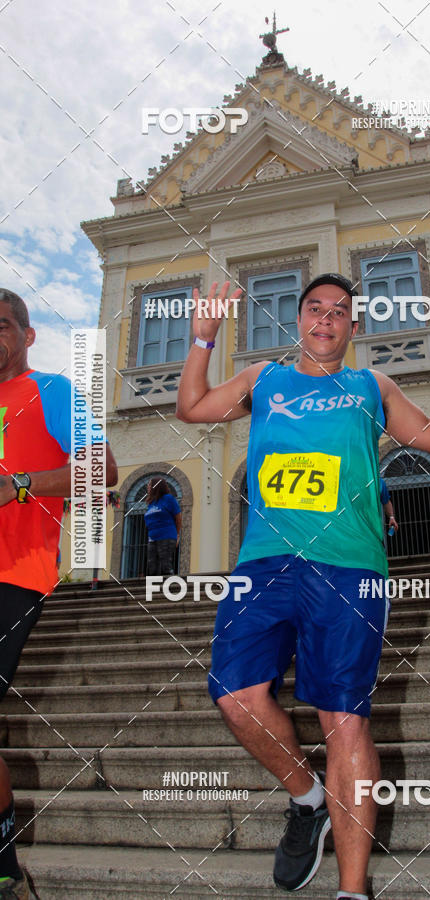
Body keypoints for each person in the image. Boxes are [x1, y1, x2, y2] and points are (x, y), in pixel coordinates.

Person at [176, 275, 430, 900]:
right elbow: (192, 407)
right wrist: (203, 339)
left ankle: (351, 890)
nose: (326, 318)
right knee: (235, 696)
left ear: (353, 327)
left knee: (344, 721)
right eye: (315, 308)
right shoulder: (264, 379)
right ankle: (308, 798)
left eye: (340, 311)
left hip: (349, 569)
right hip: (265, 563)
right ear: (299, 320)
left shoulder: (371, 385)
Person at [0, 289, 118, 899]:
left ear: (27, 335)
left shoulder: (51, 391)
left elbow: (104, 471)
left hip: (13, 572)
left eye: (1, 325)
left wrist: (17, 485)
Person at [144, 477, 181, 576]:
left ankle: (170, 584)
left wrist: (177, 534)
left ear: (156, 486)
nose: (148, 487)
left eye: (150, 485)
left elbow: (178, 517)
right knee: (152, 567)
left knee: (165, 566)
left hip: (167, 536)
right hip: (152, 538)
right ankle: (154, 586)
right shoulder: (151, 503)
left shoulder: (168, 499)